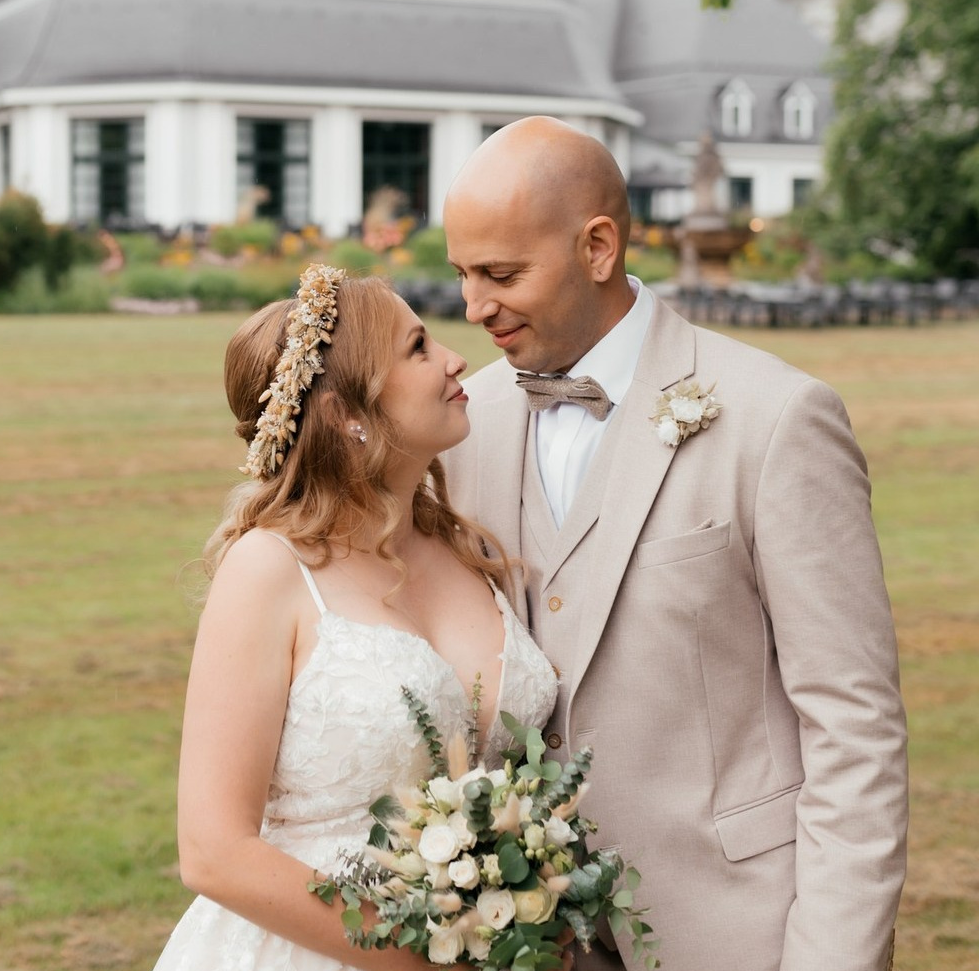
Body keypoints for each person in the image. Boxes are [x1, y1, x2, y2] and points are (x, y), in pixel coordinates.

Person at [439, 117, 909, 971]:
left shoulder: (777, 418)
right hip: (532, 944)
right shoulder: (464, 424)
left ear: (599, 246)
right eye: (463, 275)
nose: (474, 307)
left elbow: (854, 725)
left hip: (742, 936)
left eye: (501, 274)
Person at [154, 264, 560, 971]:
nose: (457, 358)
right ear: (347, 411)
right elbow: (214, 853)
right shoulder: (271, 571)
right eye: (419, 348)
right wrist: (432, 959)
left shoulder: (467, 547)